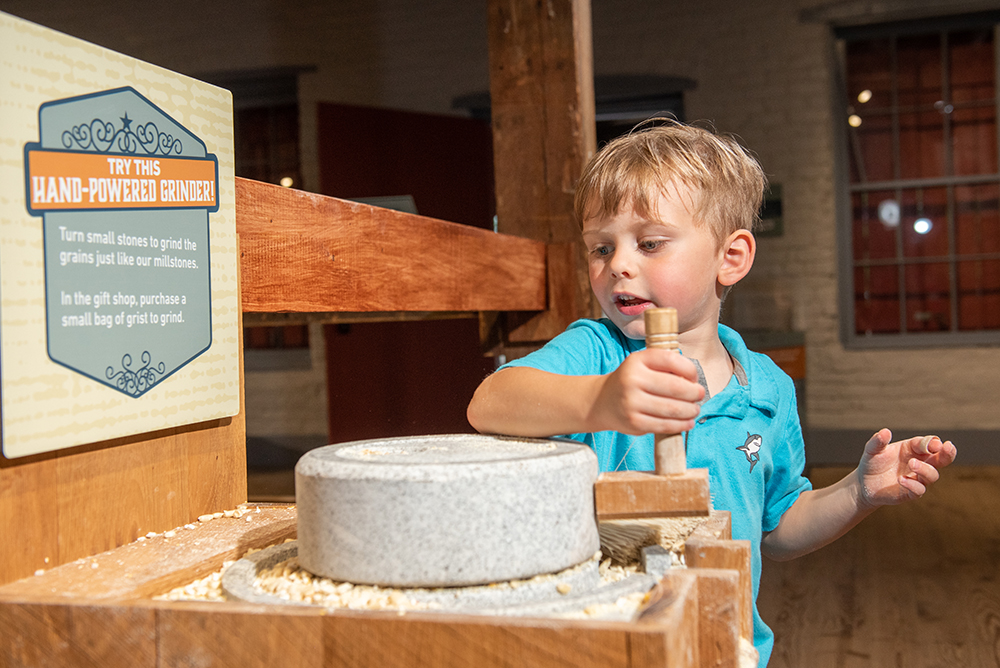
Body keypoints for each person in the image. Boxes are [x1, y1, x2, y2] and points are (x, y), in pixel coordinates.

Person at [466, 120, 957, 667]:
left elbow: (779, 525)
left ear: (732, 257)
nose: (619, 266)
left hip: (723, 644)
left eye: (649, 243)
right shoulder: (597, 353)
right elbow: (489, 403)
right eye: (600, 248)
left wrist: (856, 495)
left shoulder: (767, 389)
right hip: (606, 643)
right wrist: (601, 400)